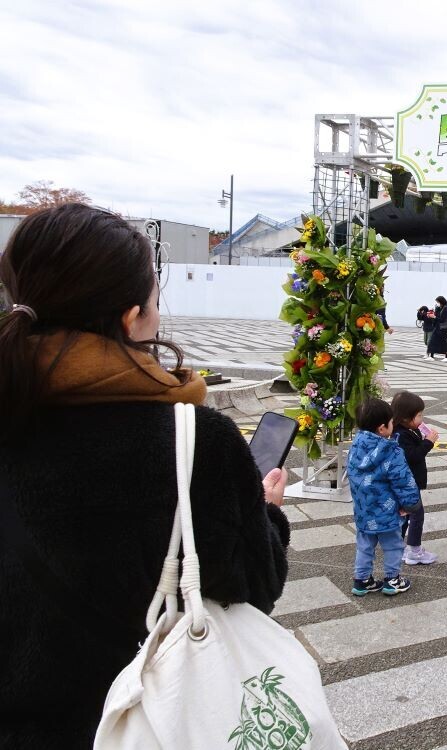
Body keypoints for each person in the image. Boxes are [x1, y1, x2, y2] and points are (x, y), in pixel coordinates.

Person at [0, 204, 291, 748]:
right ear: (134, 316)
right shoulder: (192, 440)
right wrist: (268, 513)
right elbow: (254, 583)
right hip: (144, 723)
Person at [347, 398, 421, 596]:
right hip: (387, 510)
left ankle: (362, 580)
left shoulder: (355, 446)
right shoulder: (392, 451)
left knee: (364, 545)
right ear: (382, 428)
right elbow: (403, 480)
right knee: (393, 545)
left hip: (363, 508)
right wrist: (411, 504)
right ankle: (392, 579)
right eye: (390, 422)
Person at [391, 391, 439, 565]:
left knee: (404, 515)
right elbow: (413, 456)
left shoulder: (404, 430)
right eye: (419, 415)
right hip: (408, 483)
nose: (421, 418)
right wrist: (428, 442)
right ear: (405, 418)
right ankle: (414, 550)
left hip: (405, 482)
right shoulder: (401, 435)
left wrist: (423, 434)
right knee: (416, 515)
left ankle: (399, 546)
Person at [426, 295, 447, 361]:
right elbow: (436, 316)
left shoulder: (446, 308)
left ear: (441, 301)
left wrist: (434, 317)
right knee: (432, 341)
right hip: (437, 327)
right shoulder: (439, 308)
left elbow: (442, 319)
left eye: (438, 302)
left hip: (443, 328)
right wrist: (431, 315)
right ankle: (431, 356)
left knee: (444, 342)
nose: (437, 303)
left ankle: (446, 357)